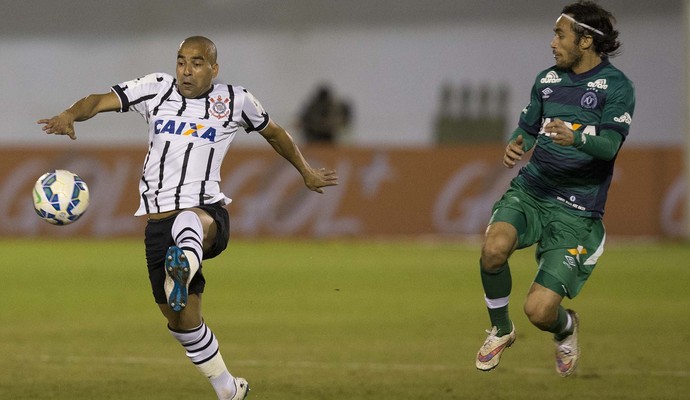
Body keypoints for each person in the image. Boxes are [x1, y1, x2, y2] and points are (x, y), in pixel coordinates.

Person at [38, 36, 338, 399]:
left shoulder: (235, 100)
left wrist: (305, 171)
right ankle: (228, 388)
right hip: (157, 225)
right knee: (182, 322)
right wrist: (70, 114)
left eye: (196, 63)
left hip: (207, 213)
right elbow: (97, 101)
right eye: (181, 62)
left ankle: (183, 264)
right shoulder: (156, 89)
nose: (186, 70)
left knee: (189, 222)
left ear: (214, 68)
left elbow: (274, 133)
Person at [474, 1, 634, 377]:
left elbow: (610, 146)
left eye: (560, 34)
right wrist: (516, 143)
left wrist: (575, 137)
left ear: (585, 41)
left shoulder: (617, 87)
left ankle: (566, 328)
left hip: (577, 212)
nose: (552, 42)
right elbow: (528, 127)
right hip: (533, 191)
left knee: (539, 311)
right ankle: (500, 330)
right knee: (494, 249)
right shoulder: (546, 80)